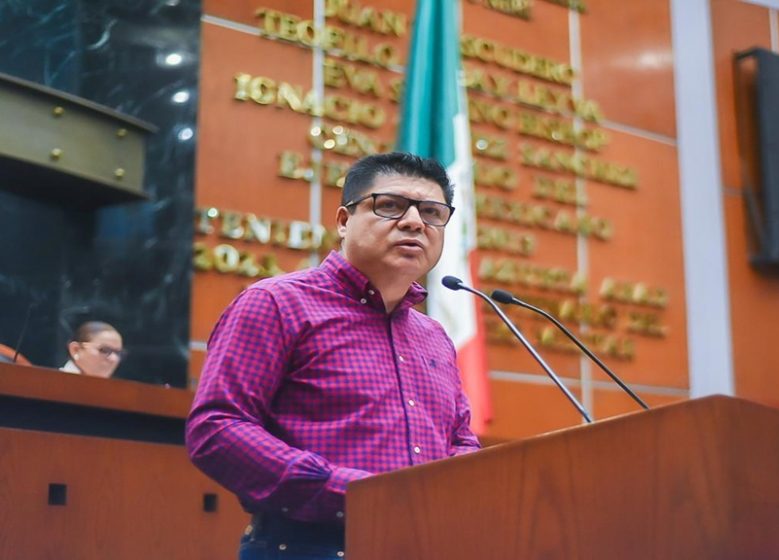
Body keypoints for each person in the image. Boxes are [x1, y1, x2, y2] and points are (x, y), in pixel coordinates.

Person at [186, 152, 481, 560]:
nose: (415, 222)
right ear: (344, 221)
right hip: (306, 546)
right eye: (390, 205)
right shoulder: (277, 303)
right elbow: (217, 427)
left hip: (424, 546)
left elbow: (461, 440)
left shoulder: (434, 336)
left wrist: (460, 488)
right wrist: (349, 492)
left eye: (432, 212)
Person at [59, 321, 123, 378]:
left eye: (118, 353)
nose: (114, 359)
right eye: (104, 350)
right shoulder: (54, 383)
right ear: (76, 350)